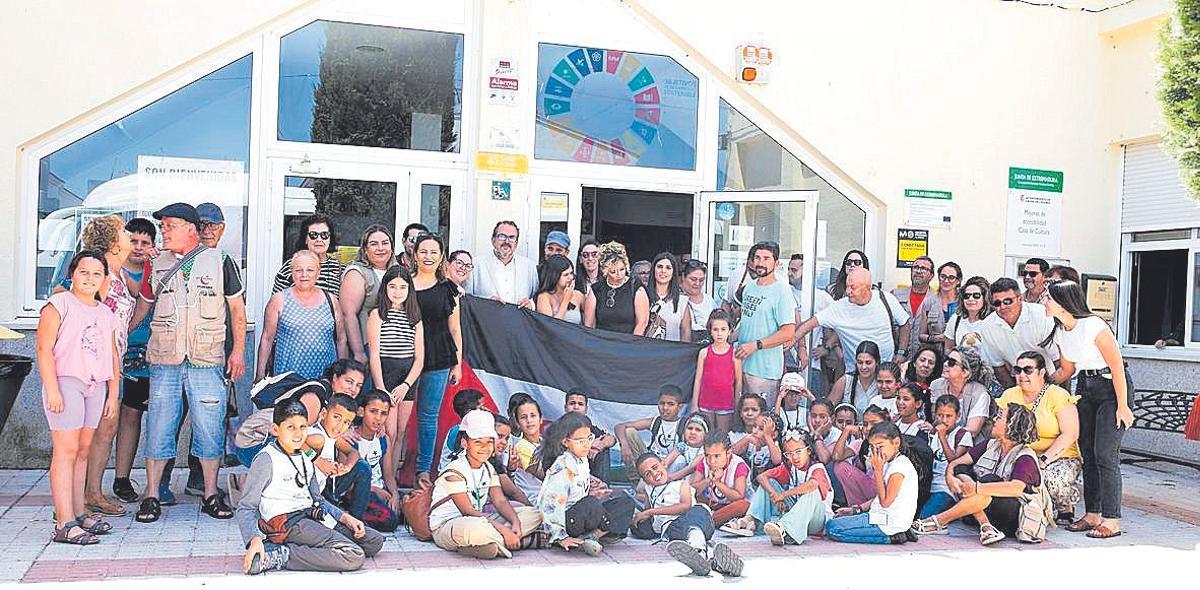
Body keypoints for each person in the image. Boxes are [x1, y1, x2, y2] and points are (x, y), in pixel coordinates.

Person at [131, 202, 246, 523]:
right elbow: (144, 304)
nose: (163, 231)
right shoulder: (156, 264)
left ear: (191, 229)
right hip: (165, 360)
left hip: (207, 360)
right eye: (163, 226)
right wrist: (120, 335)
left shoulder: (222, 261)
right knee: (158, 427)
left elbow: (237, 311)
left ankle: (211, 493)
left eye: (169, 225)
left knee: (209, 429)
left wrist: (238, 352)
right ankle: (151, 495)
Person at [236, 398, 383, 575]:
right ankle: (280, 555)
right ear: (276, 429)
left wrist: (345, 518)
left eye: (303, 427)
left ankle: (298, 547)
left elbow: (317, 500)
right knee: (352, 555)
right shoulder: (267, 459)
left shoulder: (306, 456)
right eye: (291, 427)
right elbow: (246, 507)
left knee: (373, 541)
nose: (298, 434)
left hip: (310, 516)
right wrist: (254, 539)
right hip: (286, 523)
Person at [38, 250, 122, 545]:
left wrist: (113, 394)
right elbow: (43, 350)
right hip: (67, 382)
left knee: (84, 449)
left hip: (95, 385)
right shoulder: (58, 305)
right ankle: (63, 522)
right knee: (66, 450)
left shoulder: (105, 313)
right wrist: (52, 389)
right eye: (83, 272)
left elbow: (112, 356)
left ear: (104, 280)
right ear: (72, 274)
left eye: (97, 274)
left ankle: (78, 511)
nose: (90, 278)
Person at [57, 216, 136, 518]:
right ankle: (78, 498)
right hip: (91, 366)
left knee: (104, 428)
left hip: (111, 363)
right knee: (87, 434)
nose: (130, 237)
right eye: (125, 232)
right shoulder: (98, 272)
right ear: (114, 241)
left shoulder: (117, 273)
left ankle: (89, 493)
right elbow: (66, 298)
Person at [1042, 280, 1134, 538]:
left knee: (1106, 455)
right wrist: (1040, 382)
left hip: (1111, 389)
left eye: (1048, 298)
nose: (1044, 303)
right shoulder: (1061, 330)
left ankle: (1112, 519)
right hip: (1086, 387)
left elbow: (1117, 367)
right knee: (1089, 454)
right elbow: (1068, 370)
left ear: (1063, 301)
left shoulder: (1093, 325)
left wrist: (1123, 406)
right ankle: (1093, 514)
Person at [911, 403, 1052, 545]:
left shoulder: (1025, 456)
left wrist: (976, 488)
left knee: (989, 480)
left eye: (1000, 417)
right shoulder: (990, 445)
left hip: (1012, 517)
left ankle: (939, 521)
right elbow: (956, 463)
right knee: (962, 469)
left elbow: (1015, 488)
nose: (994, 420)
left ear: (1011, 425)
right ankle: (986, 526)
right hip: (982, 507)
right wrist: (949, 477)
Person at [429, 410, 544, 559]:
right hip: (449, 525)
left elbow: (500, 501)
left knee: (535, 514)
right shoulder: (454, 472)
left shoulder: (488, 468)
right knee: (477, 529)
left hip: (482, 520)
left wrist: (515, 523)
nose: (485, 447)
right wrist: (504, 529)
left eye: (489, 441)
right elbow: (468, 512)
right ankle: (515, 541)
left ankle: (491, 545)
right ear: (465, 443)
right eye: (478, 442)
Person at [997, 351, 1082, 523]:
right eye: (1017, 370)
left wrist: (1043, 460)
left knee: (1051, 479)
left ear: (1042, 372)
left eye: (1028, 370)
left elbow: (1070, 434)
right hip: (1020, 453)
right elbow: (1000, 429)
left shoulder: (1057, 395)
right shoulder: (1010, 395)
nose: (1021, 375)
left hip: (1058, 457)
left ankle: (1063, 505)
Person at [631, 453, 744, 578]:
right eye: (647, 474)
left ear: (664, 464)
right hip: (673, 527)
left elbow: (685, 506)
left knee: (697, 515)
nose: (654, 474)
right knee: (696, 538)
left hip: (698, 518)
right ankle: (716, 563)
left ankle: (700, 555)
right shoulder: (649, 490)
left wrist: (650, 512)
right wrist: (639, 518)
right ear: (645, 480)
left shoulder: (681, 484)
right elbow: (648, 516)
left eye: (655, 467)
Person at [539, 413, 636, 555]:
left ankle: (592, 536)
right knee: (591, 504)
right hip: (567, 520)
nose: (587, 445)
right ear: (566, 442)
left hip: (583, 513)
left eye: (589, 438)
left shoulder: (582, 458)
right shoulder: (563, 467)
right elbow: (549, 505)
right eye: (580, 441)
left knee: (626, 503)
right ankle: (585, 536)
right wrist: (559, 537)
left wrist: (594, 489)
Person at [793, 268, 911, 384]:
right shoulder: (839, 308)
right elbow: (809, 325)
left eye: (853, 287)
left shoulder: (886, 299)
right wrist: (793, 342)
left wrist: (901, 352)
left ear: (868, 288)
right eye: (847, 286)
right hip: (855, 376)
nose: (848, 291)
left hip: (885, 375)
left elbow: (904, 323)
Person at [411, 233, 464, 488]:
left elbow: (455, 329)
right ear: (415, 254)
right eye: (423, 251)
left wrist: (457, 364)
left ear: (441, 255)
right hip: (406, 358)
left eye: (434, 252)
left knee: (428, 416)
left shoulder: (448, 289)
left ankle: (423, 470)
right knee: (397, 417)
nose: (428, 257)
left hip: (439, 357)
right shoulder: (403, 284)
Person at [366, 265, 425, 487]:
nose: (398, 291)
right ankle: (385, 479)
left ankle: (396, 480)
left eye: (403, 287)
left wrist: (406, 384)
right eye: (392, 286)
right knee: (388, 431)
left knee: (400, 431)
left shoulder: (415, 317)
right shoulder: (377, 315)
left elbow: (420, 358)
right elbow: (374, 356)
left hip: (408, 378)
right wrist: (381, 388)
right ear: (385, 288)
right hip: (386, 375)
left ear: (410, 289)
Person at [722, 429, 832, 545]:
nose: (794, 457)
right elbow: (762, 477)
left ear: (809, 451)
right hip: (797, 515)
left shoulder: (817, 468)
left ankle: (785, 528)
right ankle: (751, 521)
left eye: (798, 451)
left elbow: (812, 485)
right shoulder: (791, 468)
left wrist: (783, 495)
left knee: (812, 491)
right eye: (789, 453)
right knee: (771, 483)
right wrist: (774, 494)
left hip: (817, 522)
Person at [112, 218, 157, 504]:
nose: (139, 248)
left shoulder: (162, 268)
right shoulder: (115, 270)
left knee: (164, 416)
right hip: (125, 353)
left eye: (145, 243)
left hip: (158, 352)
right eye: (134, 241)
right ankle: (121, 478)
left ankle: (158, 481)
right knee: (128, 414)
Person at [256, 250, 346, 381]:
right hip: (289, 378)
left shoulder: (331, 300)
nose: (304, 275)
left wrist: (341, 374)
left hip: (324, 378)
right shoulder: (279, 300)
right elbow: (267, 338)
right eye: (298, 270)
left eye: (310, 270)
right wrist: (260, 374)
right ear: (292, 273)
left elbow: (341, 339)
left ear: (318, 272)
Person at [826, 422, 920, 544]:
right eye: (872, 447)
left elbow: (885, 502)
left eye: (880, 447)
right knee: (833, 522)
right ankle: (899, 531)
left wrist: (878, 470)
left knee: (833, 528)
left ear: (896, 443)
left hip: (888, 522)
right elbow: (879, 498)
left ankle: (892, 537)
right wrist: (857, 510)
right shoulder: (889, 461)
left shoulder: (899, 468)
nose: (876, 452)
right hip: (879, 516)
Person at [733, 242, 797, 406]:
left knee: (761, 422)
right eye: (757, 258)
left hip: (765, 371)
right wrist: (727, 338)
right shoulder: (749, 288)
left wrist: (755, 345)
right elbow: (748, 322)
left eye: (766, 258)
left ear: (776, 263)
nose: (760, 263)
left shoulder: (782, 291)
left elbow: (788, 332)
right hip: (741, 364)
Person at [978, 277, 1058, 388]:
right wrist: (1016, 395)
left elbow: (1060, 362)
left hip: (1052, 379)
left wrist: (1060, 395)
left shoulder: (1042, 315)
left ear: (1020, 299)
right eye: (997, 303)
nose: (1003, 307)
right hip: (1019, 384)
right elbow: (999, 368)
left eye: (1007, 301)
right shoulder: (987, 326)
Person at [304, 394, 371, 523]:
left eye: (346, 422)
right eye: (336, 417)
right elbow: (291, 442)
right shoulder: (317, 436)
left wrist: (345, 468)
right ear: (324, 413)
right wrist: (318, 461)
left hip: (326, 489)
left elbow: (354, 452)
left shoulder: (333, 437)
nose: (340, 426)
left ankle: (356, 519)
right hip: (308, 496)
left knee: (362, 467)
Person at [339, 225, 398, 366]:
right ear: (365, 249)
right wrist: (359, 353)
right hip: (369, 347)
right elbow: (348, 315)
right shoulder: (357, 273)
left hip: (397, 349)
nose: (380, 248)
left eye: (385, 243)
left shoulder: (398, 271)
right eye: (373, 244)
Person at [917, 395, 974, 519]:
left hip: (947, 489)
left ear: (958, 416)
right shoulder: (932, 433)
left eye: (949, 416)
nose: (944, 420)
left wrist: (942, 437)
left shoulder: (963, 435)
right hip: (929, 485)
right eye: (940, 415)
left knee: (924, 517)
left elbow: (954, 462)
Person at [353, 389, 399, 531]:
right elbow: (347, 484)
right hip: (359, 493)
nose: (378, 418)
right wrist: (375, 490)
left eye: (383, 413)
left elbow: (388, 475)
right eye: (373, 411)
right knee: (390, 520)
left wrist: (395, 495)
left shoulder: (383, 439)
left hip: (381, 490)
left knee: (409, 506)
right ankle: (352, 517)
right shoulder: (351, 439)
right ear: (361, 412)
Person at [467, 220, 538, 308]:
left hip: (518, 321)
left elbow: (536, 298)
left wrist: (530, 304)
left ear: (516, 243)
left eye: (512, 237)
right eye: (502, 236)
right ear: (493, 240)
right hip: (486, 320)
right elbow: (466, 300)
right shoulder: (476, 264)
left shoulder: (529, 267)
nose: (507, 241)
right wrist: (485, 304)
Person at [584, 241, 649, 335]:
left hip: (628, 343)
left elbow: (642, 323)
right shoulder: (596, 289)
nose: (619, 275)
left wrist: (632, 345)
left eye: (622, 269)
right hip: (601, 343)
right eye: (613, 272)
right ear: (605, 271)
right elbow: (589, 325)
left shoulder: (636, 287)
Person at [693, 309, 742, 433]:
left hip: (726, 404)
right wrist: (694, 404)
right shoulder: (704, 353)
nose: (719, 333)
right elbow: (698, 379)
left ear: (730, 331)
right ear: (710, 331)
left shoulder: (734, 354)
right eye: (715, 330)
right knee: (707, 435)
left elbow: (739, 382)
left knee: (722, 435)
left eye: (723, 329)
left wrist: (737, 406)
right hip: (705, 403)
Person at [615, 385, 688, 468]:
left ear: (680, 407)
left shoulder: (685, 424)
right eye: (662, 403)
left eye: (670, 404)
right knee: (629, 432)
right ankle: (637, 478)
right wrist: (624, 445)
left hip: (672, 465)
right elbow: (619, 426)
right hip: (650, 463)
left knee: (680, 460)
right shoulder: (655, 421)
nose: (665, 408)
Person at [928, 347, 994, 437]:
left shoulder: (980, 393)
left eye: (951, 362)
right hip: (938, 439)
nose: (945, 364)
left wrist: (937, 430)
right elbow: (934, 419)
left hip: (971, 445)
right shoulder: (936, 385)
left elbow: (972, 430)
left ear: (965, 372)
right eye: (946, 359)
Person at [272, 214, 345, 295]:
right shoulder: (290, 266)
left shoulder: (340, 270)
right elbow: (276, 302)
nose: (319, 239)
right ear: (305, 239)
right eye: (313, 235)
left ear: (330, 239)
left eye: (324, 235)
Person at [690, 431, 750, 527]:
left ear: (728, 453)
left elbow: (739, 496)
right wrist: (708, 480)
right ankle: (712, 520)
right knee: (689, 498)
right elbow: (692, 491)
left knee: (743, 505)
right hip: (712, 504)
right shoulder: (704, 463)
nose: (712, 461)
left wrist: (717, 482)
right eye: (707, 455)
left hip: (730, 507)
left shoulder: (738, 465)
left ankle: (707, 521)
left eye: (717, 456)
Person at [560, 390, 618, 480]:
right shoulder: (557, 427)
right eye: (572, 403)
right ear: (565, 407)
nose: (576, 407)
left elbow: (612, 439)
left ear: (586, 409)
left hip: (589, 471)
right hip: (565, 473)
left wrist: (598, 446)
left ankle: (602, 487)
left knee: (603, 448)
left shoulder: (589, 427)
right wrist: (587, 447)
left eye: (580, 404)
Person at [893, 256, 936, 356]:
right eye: (915, 267)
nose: (918, 271)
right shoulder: (895, 296)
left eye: (924, 269)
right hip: (899, 357)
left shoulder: (937, 300)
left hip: (925, 362)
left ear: (931, 276)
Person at [941, 276, 994, 356]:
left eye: (976, 295)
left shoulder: (992, 321)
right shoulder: (955, 319)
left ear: (985, 298)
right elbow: (948, 349)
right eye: (967, 296)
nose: (970, 299)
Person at [917, 261, 962, 351]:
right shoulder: (929, 302)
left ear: (958, 281)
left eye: (951, 278)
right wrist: (937, 338)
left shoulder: (964, 302)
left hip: (959, 354)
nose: (946, 281)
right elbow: (921, 335)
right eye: (943, 276)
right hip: (936, 354)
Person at [830, 341, 882, 417]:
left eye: (868, 363)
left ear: (877, 362)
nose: (863, 367)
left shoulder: (883, 383)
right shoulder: (845, 381)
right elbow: (827, 409)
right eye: (860, 362)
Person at [645, 252, 689, 341]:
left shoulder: (682, 302)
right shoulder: (642, 297)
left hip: (672, 353)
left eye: (668, 268)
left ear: (673, 272)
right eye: (659, 267)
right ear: (653, 269)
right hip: (646, 351)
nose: (663, 271)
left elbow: (686, 333)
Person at [535, 254, 585, 324]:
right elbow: (549, 327)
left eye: (571, 273)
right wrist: (566, 301)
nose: (570, 277)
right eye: (566, 275)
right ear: (554, 276)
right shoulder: (544, 297)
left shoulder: (578, 295)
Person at [680, 259, 717, 345]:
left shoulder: (708, 300)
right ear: (683, 277)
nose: (697, 283)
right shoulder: (675, 299)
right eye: (693, 279)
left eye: (701, 280)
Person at [662, 414, 709, 480]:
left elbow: (691, 467)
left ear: (705, 434)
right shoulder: (682, 446)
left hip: (693, 483)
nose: (693, 432)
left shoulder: (705, 450)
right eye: (690, 428)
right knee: (680, 459)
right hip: (675, 480)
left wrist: (670, 477)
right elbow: (667, 461)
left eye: (698, 430)